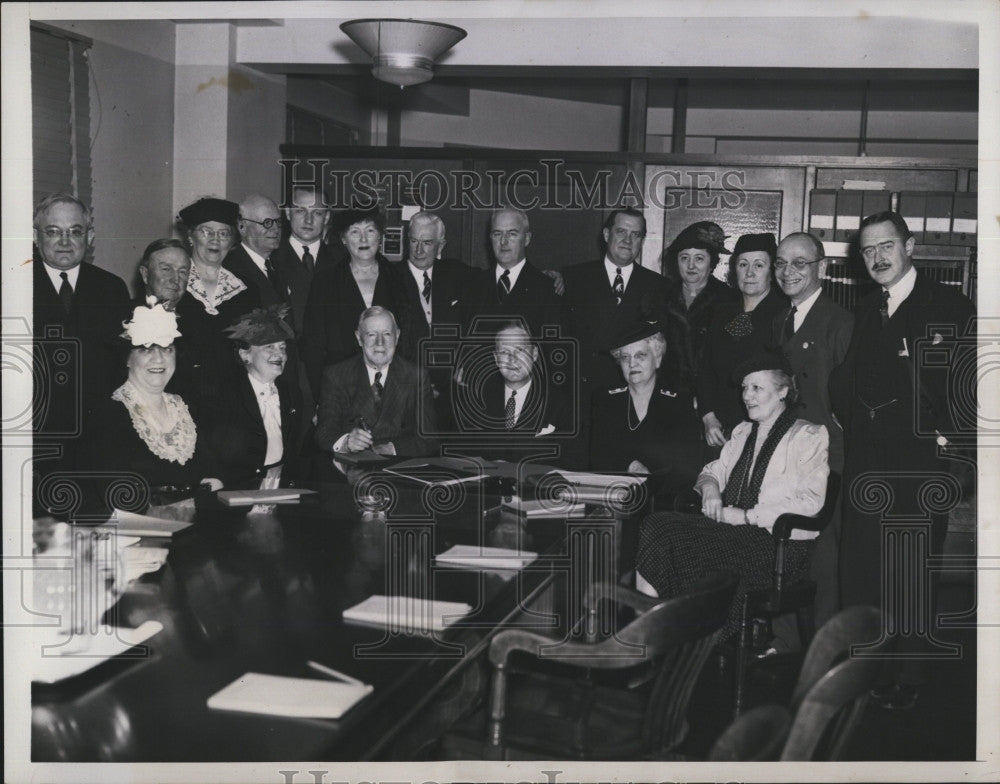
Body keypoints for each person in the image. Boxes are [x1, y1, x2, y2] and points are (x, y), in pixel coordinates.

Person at [830, 210, 975, 709]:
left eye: (885, 246)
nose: (876, 258)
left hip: (918, 459)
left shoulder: (950, 305)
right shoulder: (868, 307)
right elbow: (845, 380)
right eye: (867, 251)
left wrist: (950, 440)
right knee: (863, 568)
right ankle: (862, 671)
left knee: (909, 570)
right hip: (868, 457)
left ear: (909, 245)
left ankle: (907, 678)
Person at [635, 349, 829, 639]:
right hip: (733, 534)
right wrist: (711, 489)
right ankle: (650, 636)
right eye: (744, 388)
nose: (746, 396)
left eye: (756, 388)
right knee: (656, 525)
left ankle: (679, 641)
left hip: (777, 546)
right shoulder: (742, 433)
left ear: (783, 392)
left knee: (683, 545)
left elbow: (810, 503)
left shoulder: (807, 437)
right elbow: (711, 470)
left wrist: (747, 516)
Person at [770, 231, 854, 631]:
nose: (788, 272)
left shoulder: (840, 322)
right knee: (785, 552)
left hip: (826, 459)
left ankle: (822, 656)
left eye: (799, 263)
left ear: (822, 268)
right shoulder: (780, 318)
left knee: (823, 559)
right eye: (781, 263)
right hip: (785, 455)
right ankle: (784, 644)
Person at [31, 193, 131, 490]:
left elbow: (120, 366)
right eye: (53, 231)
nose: (64, 241)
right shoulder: (13, 282)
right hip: (33, 438)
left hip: (95, 438)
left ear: (90, 237)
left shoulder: (111, 288)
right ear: (36, 237)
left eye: (75, 231)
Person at [76, 302, 204, 510]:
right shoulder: (107, 414)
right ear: (127, 358)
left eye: (167, 349)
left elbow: (211, 472)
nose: (159, 359)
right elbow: (117, 494)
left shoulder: (185, 407)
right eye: (146, 350)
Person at [562, 208, 680, 394]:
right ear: (607, 234)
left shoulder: (660, 286)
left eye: (635, 234)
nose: (628, 240)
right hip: (581, 393)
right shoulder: (572, 278)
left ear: (642, 241)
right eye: (621, 232)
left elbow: (666, 351)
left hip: (633, 395)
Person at [301, 206, 409, 398]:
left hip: (393, 389)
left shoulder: (399, 279)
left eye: (370, 230)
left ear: (380, 236)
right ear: (343, 239)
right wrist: (322, 397)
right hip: (341, 389)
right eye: (355, 232)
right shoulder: (325, 282)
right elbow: (313, 346)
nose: (363, 239)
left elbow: (410, 337)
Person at [697, 232, 787, 452]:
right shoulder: (721, 311)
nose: (749, 273)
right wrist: (708, 417)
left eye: (759, 265)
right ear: (734, 268)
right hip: (719, 431)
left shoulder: (783, 314)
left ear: (772, 271)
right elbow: (705, 368)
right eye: (743, 264)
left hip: (764, 431)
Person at [196, 306, 302, 489]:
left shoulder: (291, 393)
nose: (279, 354)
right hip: (236, 489)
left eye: (282, 347)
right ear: (245, 355)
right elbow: (213, 453)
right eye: (269, 347)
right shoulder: (225, 395)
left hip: (281, 488)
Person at [588, 322, 701, 493]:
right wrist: (630, 464)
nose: (632, 364)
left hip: (664, 499)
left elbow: (688, 465)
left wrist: (651, 482)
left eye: (640, 355)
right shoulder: (605, 400)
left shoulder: (679, 402)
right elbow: (598, 455)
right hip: (615, 494)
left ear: (657, 358)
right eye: (625, 357)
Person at [315, 306, 437, 464]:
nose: (380, 343)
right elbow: (323, 432)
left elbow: (429, 438)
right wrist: (346, 442)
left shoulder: (416, 376)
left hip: (399, 469)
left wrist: (391, 448)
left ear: (397, 336)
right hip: (350, 472)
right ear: (359, 338)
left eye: (387, 334)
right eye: (371, 335)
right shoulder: (336, 375)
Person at [390, 211, 476, 430]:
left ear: (441, 245)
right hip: (407, 395)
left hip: (453, 396)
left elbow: (500, 279)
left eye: (427, 243)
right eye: (414, 241)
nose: (418, 250)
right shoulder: (389, 277)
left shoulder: (458, 274)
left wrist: (551, 275)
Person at [452, 321, 580, 467]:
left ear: (534, 354)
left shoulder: (561, 402)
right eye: (505, 352)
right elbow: (462, 457)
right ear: (495, 358)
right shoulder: (475, 399)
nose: (512, 359)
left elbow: (572, 463)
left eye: (520, 350)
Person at [173, 197, 255, 422]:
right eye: (206, 231)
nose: (215, 240)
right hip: (179, 395)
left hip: (232, 400)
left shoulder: (246, 289)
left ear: (232, 241)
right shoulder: (171, 283)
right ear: (190, 236)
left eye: (223, 233)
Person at [461, 208, 563, 338]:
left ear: (526, 239)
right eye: (497, 234)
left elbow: (555, 351)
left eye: (512, 234)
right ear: (490, 238)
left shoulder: (548, 289)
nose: (503, 241)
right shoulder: (472, 286)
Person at [662, 221, 739, 380]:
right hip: (668, 390)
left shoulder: (731, 300)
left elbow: (737, 351)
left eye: (699, 258)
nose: (691, 266)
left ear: (712, 263)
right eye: (684, 258)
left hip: (713, 391)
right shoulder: (659, 297)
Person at [269, 184, 337, 335]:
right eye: (300, 211)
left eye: (317, 213)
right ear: (287, 213)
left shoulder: (341, 261)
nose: (308, 220)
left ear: (326, 217)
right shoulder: (269, 259)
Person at [225, 193, 291, 307]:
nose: (276, 229)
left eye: (278, 222)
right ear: (242, 227)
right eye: (267, 223)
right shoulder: (230, 270)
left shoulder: (282, 263)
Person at [135, 238, 191, 311]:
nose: (176, 280)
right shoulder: (121, 316)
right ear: (145, 274)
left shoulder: (201, 319)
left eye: (182, 272)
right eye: (166, 269)